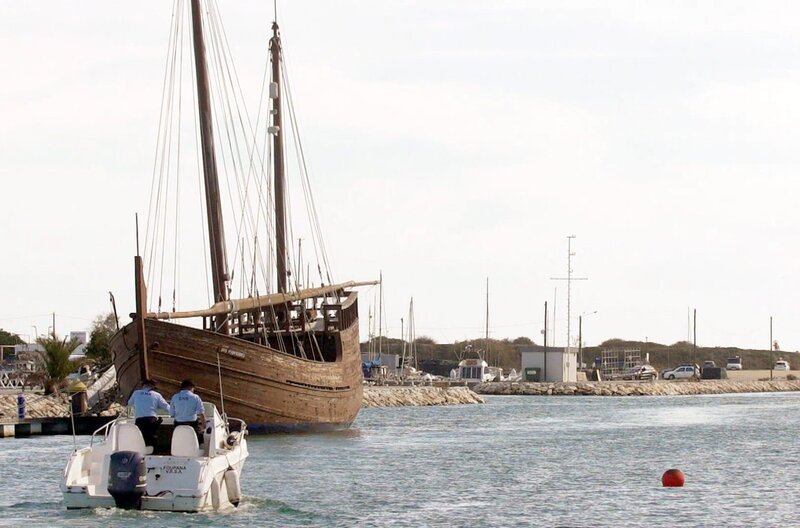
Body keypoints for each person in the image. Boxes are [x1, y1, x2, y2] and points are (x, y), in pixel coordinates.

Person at [127, 379, 170, 448]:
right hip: (151, 420)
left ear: (143, 386)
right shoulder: (157, 395)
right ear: (152, 387)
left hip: (140, 420)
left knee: (141, 438)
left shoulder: (136, 393)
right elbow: (166, 406)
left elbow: (129, 403)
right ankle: (153, 451)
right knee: (151, 437)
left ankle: (142, 452)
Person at [170, 379, 206, 444]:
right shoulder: (195, 397)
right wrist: (204, 426)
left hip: (178, 424)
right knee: (199, 437)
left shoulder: (175, 397)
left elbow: (171, 413)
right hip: (192, 424)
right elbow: (201, 413)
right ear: (190, 387)